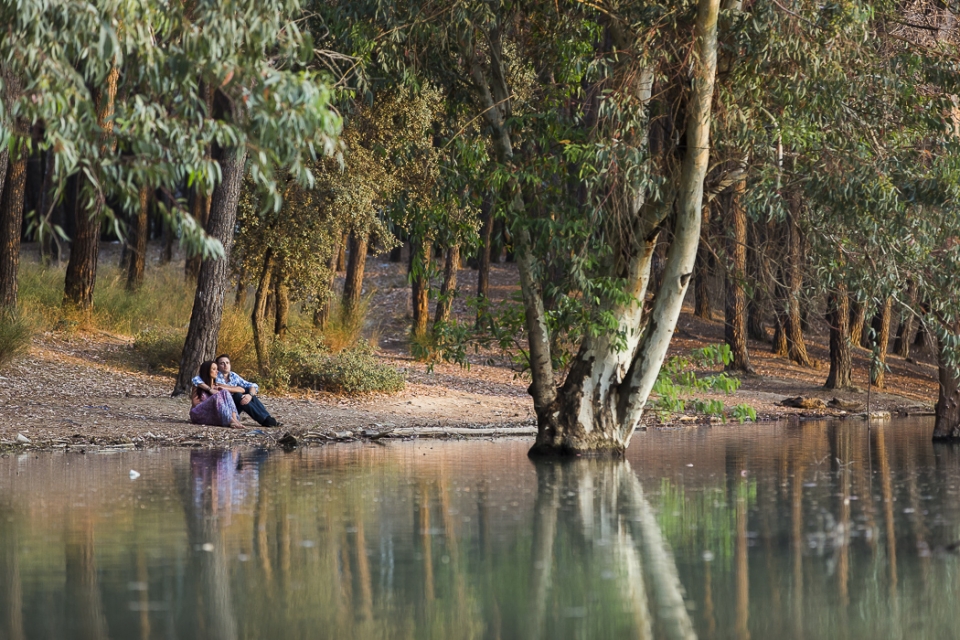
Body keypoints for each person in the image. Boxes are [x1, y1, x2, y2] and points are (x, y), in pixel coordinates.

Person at [191, 354, 280, 427]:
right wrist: (211, 390)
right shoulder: (210, 379)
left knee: (246, 394)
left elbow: (249, 386)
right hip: (217, 407)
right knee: (235, 395)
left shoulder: (233, 376)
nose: (225, 365)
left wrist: (249, 395)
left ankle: (266, 419)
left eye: (227, 363)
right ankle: (261, 420)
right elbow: (196, 380)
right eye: (222, 363)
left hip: (230, 406)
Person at [190, 361, 244, 428]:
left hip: (214, 415)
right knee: (217, 395)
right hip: (198, 413)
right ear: (206, 371)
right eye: (214, 369)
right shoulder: (198, 385)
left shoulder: (217, 385)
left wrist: (224, 389)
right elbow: (195, 404)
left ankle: (235, 420)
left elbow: (242, 389)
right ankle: (231, 421)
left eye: (217, 369)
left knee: (225, 391)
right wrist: (212, 401)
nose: (217, 371)